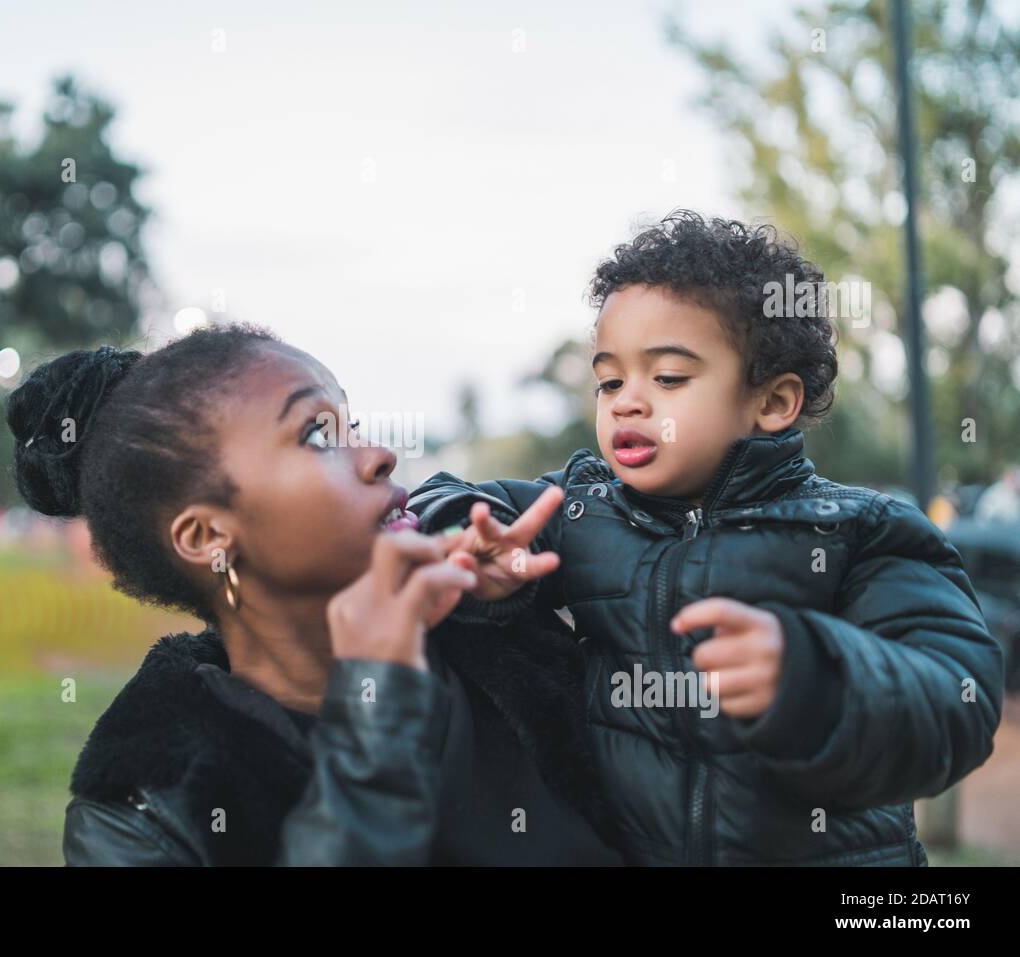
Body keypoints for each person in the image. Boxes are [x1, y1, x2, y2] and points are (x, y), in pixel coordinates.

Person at [409, 210, 1005, 866]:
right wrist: (470, 535)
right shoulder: (582, 509)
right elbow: (450, 499)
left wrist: (812, 678)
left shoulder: (858, 530)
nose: (626, 402)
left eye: (667, 377)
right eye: (610, 379)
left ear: (773, 402)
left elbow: (958, 699)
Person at [5, 326, 623, 865]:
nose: (379, 455)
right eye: (317, 436)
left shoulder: (494, 626)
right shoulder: (145, 812)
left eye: (350, 423)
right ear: (207, 536)